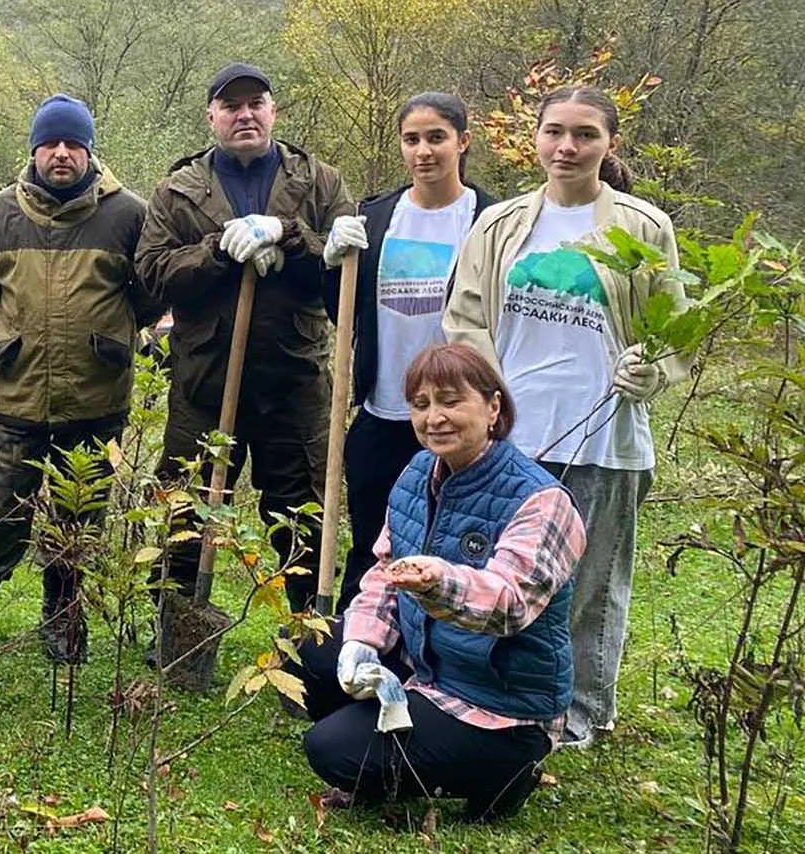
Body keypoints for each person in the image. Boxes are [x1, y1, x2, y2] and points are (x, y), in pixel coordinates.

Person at [443, 85, 686, 748]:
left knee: (592, 582)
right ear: (537, 139)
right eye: (555, 132)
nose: (568, 147)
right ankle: (507, 693)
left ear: (609, 144)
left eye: (584, 134)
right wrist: (489, 401)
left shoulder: (642, 227)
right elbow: (465, 320)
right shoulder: (501, 225)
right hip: (516, 435)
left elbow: (675, 333)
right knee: (508, 573)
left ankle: (581, 711)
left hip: (605, 435)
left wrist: (650, 367)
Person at [294, 344, 585, 822]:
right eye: (421, 404)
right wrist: (363, 644)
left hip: (497, 702)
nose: (435, 418)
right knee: (314, 650)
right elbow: (385, 574)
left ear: (493, 408)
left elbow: (509, 605)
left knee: (331, 750)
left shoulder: (542, 501)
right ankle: (399, 742)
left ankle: (506, 770)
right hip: (427, 667)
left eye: (452, 402)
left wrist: (438, 581)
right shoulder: (415, 474)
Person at [0, 94, 161, 662]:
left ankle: (62, 620)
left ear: (89, 150)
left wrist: (106, 339)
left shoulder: (128, 215)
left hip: (96, 397)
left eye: (73, 144)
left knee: (79, 514)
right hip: (17, 393)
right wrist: (19, 335)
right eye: (50, 144)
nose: (61, 154)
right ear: (34, 149)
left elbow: (147, 295)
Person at [135, 63, 355, 617]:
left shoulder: (319, 182)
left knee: (303, 513)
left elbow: (345, 274)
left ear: (273, 111)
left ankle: (308, 635)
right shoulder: (179, 189)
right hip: (205, 382)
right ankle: (180, 628)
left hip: (295, 380)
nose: (245, 114)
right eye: (231, 106)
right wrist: (216, 253)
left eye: (255, 103)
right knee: (185, 514)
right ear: (212, 117)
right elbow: (153, 272)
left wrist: (292, 236)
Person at [320, 92, 499, 609]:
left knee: (453, 552)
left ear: (463, 143)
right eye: (412, 139)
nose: (424, 151)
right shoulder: (375, 218)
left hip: (458, 417)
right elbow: (343, 312)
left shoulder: (492, 221)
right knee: (372, 544)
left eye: (437, 138)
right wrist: (331, 262)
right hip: (383, 411)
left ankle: (436, 660)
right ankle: (356, 650)